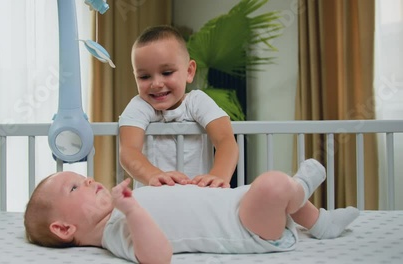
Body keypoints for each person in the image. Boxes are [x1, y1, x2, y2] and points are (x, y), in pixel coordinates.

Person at [24, 159, 360, 263]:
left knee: (266, 192)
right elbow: (158, 258)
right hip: (247, 228)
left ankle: (321, 223)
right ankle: (300, 184)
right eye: (74, 188)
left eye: (83, 178)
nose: (88, 181)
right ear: (64, 228)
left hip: (234, 205)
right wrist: (132, 209)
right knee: (273, 186)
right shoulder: (113, 232)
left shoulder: (118, 214)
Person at [118, 25, 238, 188]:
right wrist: (154, 175)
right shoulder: (139, 106)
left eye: (167, 73)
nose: (157, 84)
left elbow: (226, 141)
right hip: (153, 200)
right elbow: (129, 151)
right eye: (144, 76)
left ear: (189, 71)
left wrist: (218, 176)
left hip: (198, 194)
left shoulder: (197, 102)